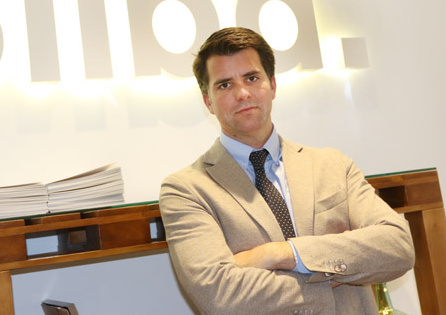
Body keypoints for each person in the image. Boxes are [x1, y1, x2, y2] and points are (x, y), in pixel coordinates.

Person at [159, 27, 415, 315]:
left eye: (252, 78)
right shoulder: (186, 190)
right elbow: (218, 297)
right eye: (225, 85)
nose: (242, 93)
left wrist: (279, 253)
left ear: (273, 85)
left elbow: (398, 247)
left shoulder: (333, 165)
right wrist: (332, 272)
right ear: (208, 101)